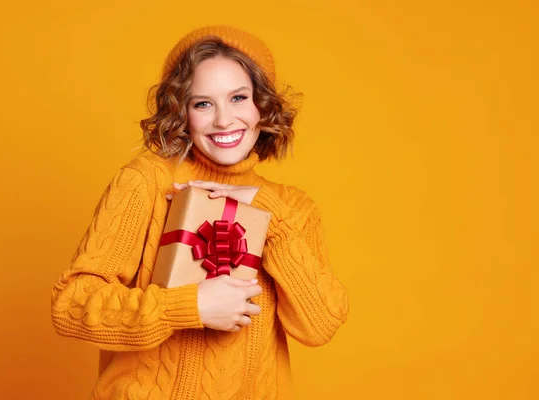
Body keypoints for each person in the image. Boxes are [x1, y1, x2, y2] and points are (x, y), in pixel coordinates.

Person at [51, 25, 349, 400]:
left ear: (263, 104)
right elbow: (71, 304)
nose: (224, 121)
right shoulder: (147, 181)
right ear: (182, 111)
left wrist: (267, 216)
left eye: (239, 98)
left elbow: (319, 326)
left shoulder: (291, 208)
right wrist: (188, 307)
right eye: (202, 103)